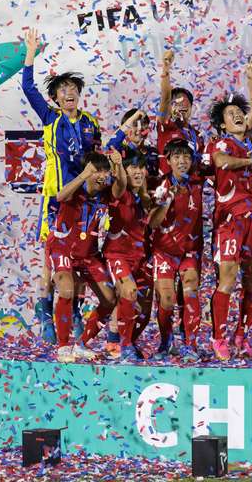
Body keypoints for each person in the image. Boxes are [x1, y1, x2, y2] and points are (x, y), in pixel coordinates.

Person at [22, 28, 101, 344]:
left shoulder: (90, 123)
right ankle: (45, 313)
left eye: (73, 88)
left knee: (78, 264)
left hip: (83, 205)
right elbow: (28, 87)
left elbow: (98, 163)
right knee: (50, 266)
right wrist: (30, 52)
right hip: (56, 202)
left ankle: (75, 312)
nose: (69, 93)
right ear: (55, 97)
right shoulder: (50, 118)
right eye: (63, 89)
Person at [204, 57, 252, 361]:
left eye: (239, 112)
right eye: (231, 114)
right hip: (230, 220)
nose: (238, 115)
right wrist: (249, 163)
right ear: (222, 124)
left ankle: (242, 334)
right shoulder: (220, 144)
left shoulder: (251, 142)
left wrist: (251, 84)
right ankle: (219, 338)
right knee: (227, 279)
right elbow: (221, 164)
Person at [47, 152, 113, 363]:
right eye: (97, 170)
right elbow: (60, 197)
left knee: (110, 299)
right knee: (67, 290)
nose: (101, 175)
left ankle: (82, 344)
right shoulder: (75, 188)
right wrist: (83, 176)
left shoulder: (106, 195)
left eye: (105, 171)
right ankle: (64, 346)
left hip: (87, 254)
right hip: (62, 247)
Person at [104, 148, 166, 361]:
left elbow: (154, 223)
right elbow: (120, 181)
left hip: (140, 257)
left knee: (145, 311)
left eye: (141, 167)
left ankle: (120, 337)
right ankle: (122, 343)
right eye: (133, 168)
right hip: (117, 254)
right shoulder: (119, 191)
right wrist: (118, 165)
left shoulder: (145, 198)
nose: (138, 172)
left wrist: (164, 203)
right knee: (128, 293)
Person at [148, 138, 207, 361]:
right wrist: (167, 200)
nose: (182, 161)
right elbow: (153, 223)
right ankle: (166, 343)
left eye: (186, 157)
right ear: (169, 161)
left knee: (191, 290)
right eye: (176, 157)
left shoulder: (199, 182)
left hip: (190, 250)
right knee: (167, 299)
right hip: (164, 250)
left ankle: (190, 345)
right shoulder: (161, 185)